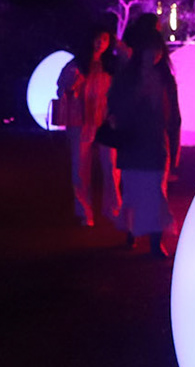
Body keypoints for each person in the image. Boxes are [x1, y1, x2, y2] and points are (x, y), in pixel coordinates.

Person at [105, 19, 181, 258]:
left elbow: (174, 115)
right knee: (134, 190)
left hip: (155, 144)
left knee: (156, 190)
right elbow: (115, 103)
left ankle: (154, 241)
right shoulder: (128, 76)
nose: (153, 54)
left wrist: (175, 145)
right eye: (149, 49)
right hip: (134, 142)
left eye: (157, 49)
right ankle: (133, 232)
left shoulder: (164, 78)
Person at [57, 25, 118, 226]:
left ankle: (112, 208)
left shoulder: (111, 65)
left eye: (105, 39)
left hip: (105, 121)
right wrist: (75, 80)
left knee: (111, 166)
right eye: (98, 38)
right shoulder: (77, 65)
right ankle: (85, 211)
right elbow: (62, 89)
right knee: (80, 167)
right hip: (80, 121)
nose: (100, 43)